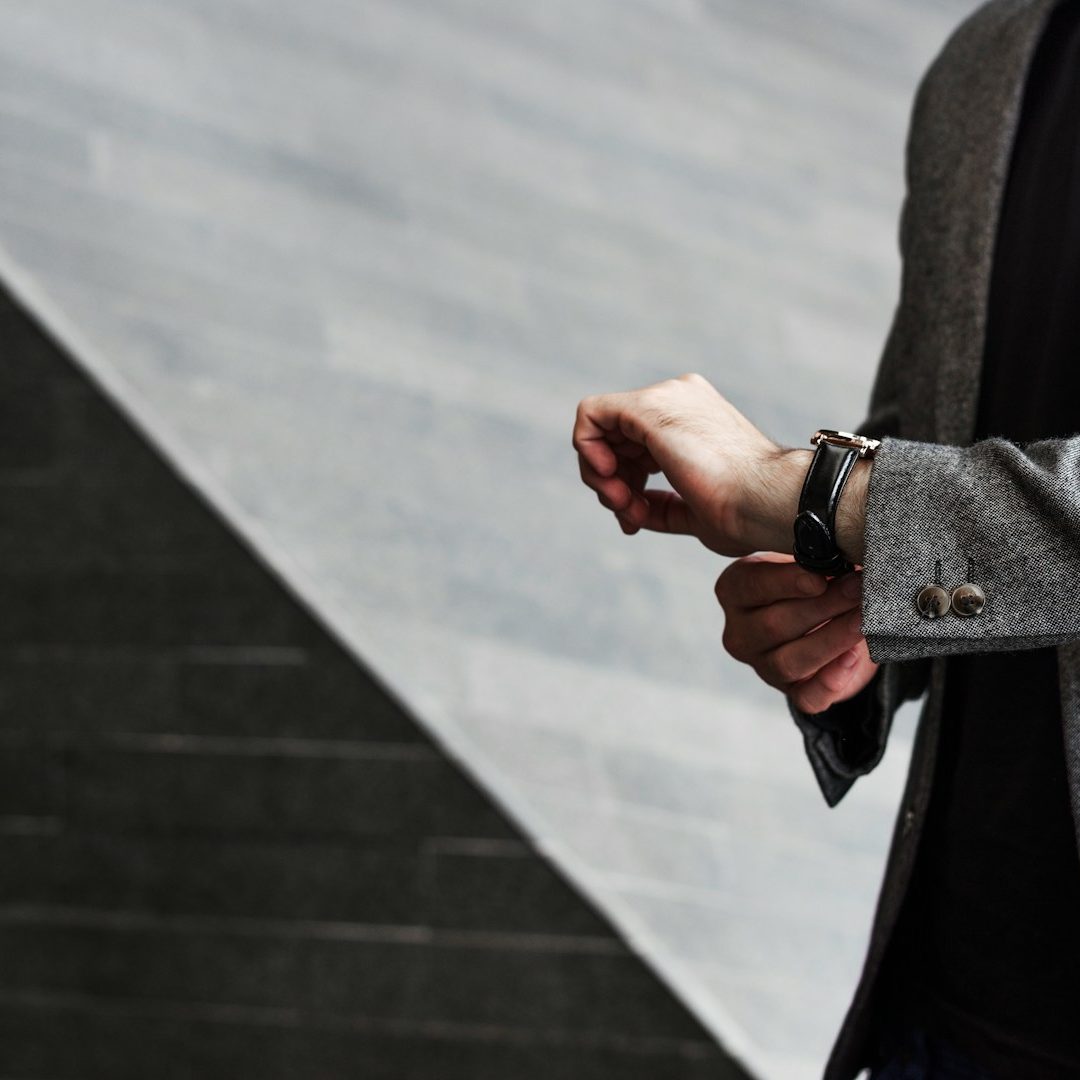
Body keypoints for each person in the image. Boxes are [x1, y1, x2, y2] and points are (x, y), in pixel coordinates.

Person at [572, 0, 1080, 1076]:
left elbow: (868, 491)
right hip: (943, 1007)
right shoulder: (988, 63)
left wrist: (808, 491)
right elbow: (929, 438)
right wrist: (847, 620)